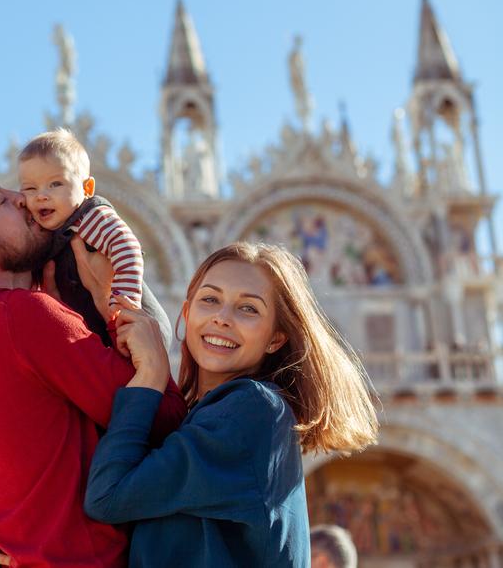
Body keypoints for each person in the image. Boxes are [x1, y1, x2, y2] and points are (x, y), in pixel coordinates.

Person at [0, 153, 187, 567]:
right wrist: (114, 311)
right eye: (1, 201)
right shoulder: (22, 316)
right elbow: (167, 419)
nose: (22, 198)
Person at [82, 242, 379, 567]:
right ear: (186, 313)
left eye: (248, 308)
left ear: (275, 338)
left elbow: (108, 496)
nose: (222, 318)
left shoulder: (253, 410)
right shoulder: (211, 412)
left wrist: (152, 371)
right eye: (210, 300)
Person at [19, 129, 172, 348]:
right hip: (103, 334)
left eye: (56, 184)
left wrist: (125, 303)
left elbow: (127, 247)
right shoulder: (49, 233)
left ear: (86, 188)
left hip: (140, 323)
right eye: (30, 188)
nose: (42, 195)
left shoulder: (89, 217)